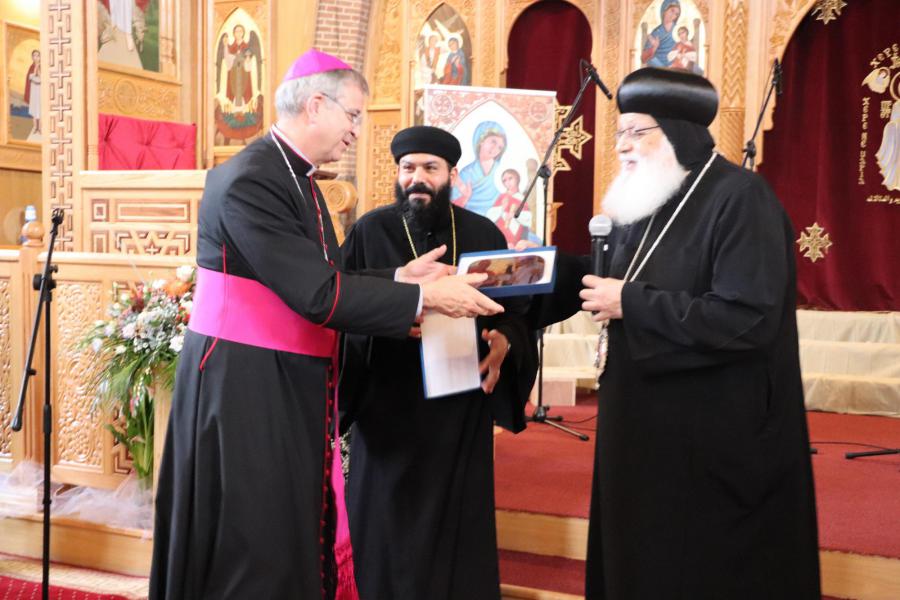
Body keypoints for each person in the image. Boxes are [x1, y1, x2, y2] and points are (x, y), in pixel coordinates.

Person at [150, 50, 503, 600]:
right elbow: (317, 294)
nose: (357, 132)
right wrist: (422, 296)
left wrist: (398, 275)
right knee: (254, 536)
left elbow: (320, 273)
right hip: (244, 385)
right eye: (354, 116)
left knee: (286, 525)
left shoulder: (298, 177)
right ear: (317, 105)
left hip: (281, 376)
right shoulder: (250, 178)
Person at [529, 67, 820, 599]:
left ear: (679, 132)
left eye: (637, 132)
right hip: (641, 427)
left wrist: (630, 303)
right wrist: (510, 283)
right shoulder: (646, 200)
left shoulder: (741, 200)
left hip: (710, 435)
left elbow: (747, 318)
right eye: (620, 133)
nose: (621, 147)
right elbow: (601, 275)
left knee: (694, 565)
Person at [340, 125, 538, 600]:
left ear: (451, 174)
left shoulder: (480, 231)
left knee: (456, 520)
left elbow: (516, 311)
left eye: (430, 168)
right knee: (384, 520)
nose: (417, 179)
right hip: (386, 400)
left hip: (457, 403)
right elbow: (341, 300)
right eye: (408, 168)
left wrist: (504, 342)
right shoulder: (371, 230)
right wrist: (391, 313)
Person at [453, 120, 507, 215]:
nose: (495, 149)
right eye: (493, 142)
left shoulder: (502, 170)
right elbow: (452, 207)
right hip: (470, 220)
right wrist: (465, 197)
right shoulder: (466, 172)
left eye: (500, 147)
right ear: (481, 140)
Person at [641, 0, 681, 68]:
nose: (673, 15)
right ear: (664, 10)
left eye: (676, 14)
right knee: (652, 60)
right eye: (672, 10)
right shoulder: (656, 32)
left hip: (674, 64)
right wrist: (654, 47)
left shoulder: (679, 30)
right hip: (658, 66)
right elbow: (643, 58)